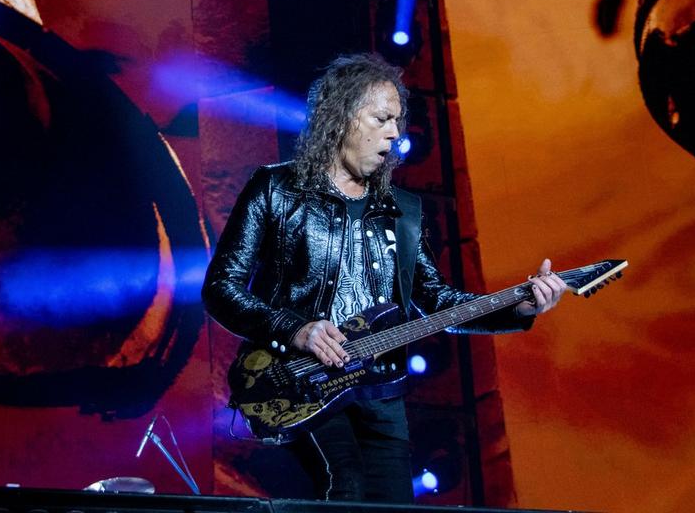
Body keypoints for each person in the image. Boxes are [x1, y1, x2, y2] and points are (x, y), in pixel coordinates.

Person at [201, 53, 567, 503]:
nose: (395, 133)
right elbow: (221, 287)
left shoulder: (402, 211)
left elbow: (436, 301)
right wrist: (294, 329)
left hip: (381, 390)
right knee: (346, 484)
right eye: (382, 119)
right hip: (299, 379)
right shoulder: (276, 190)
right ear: (341, 118)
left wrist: (520, 306)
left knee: (393, 508)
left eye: (397, 121)